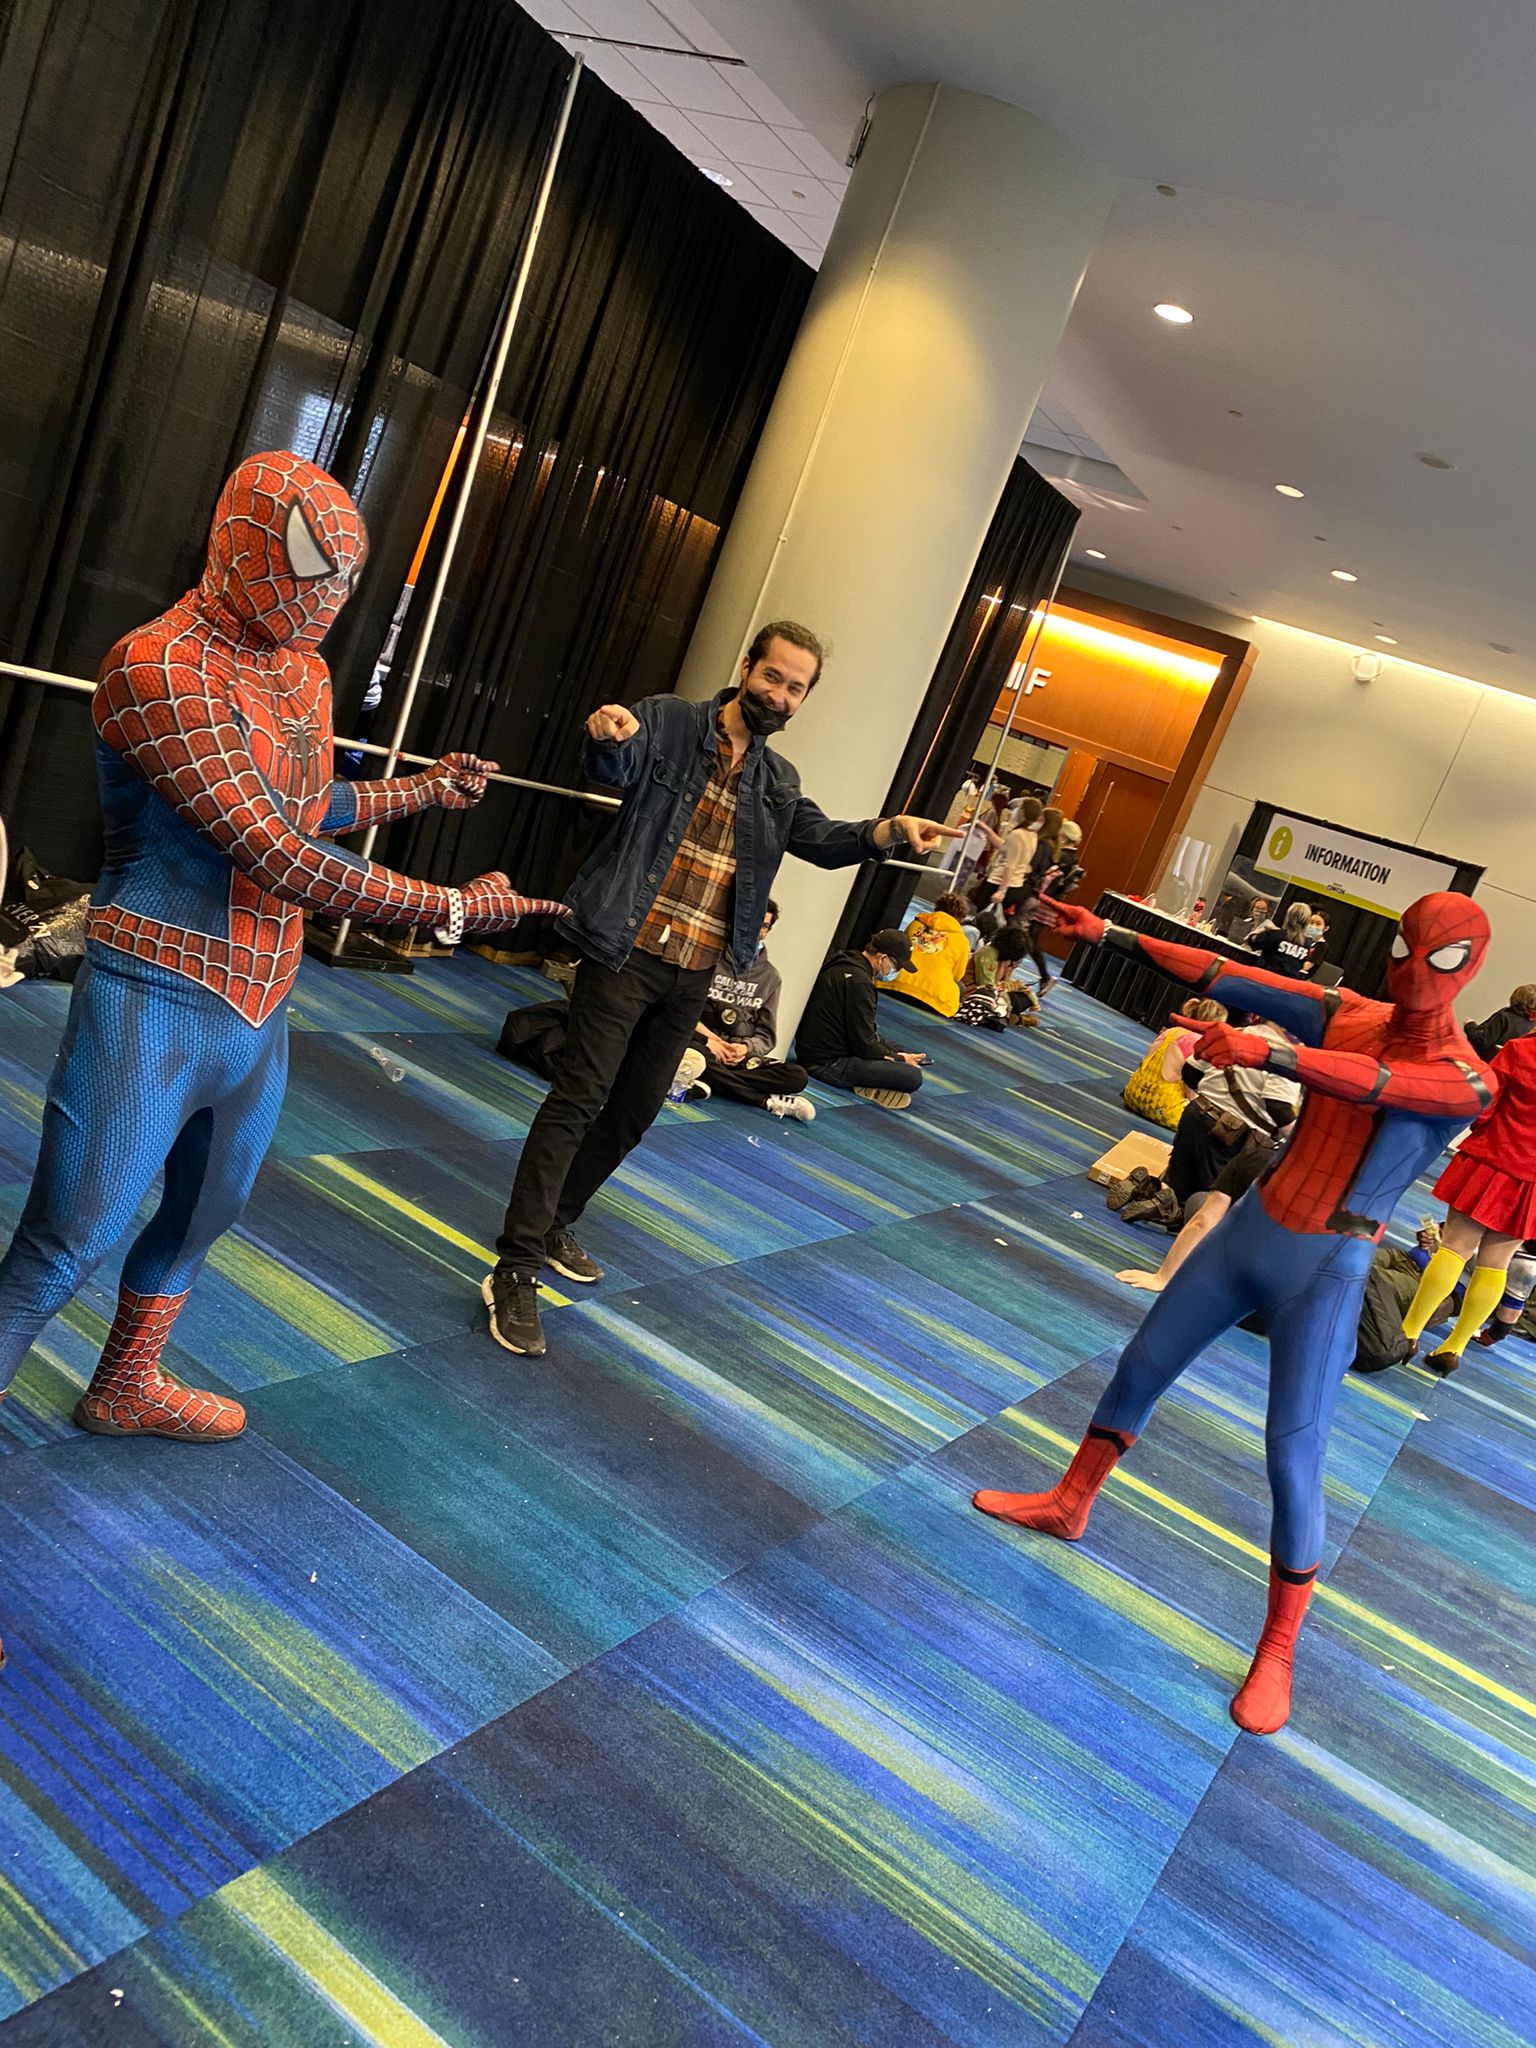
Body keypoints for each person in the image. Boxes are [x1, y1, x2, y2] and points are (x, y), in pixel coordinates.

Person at [0, 456, 548, 1477]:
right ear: (238, 538)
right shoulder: (158, 665)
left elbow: (297, 806)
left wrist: (420, 791)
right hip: (153, 993)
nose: (329, 597)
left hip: (261, 1002)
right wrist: (453, 908)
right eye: (311, 566)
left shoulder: (300, 672)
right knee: (67, 1236)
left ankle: (125, 1383)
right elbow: (272, 851)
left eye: (346, 576)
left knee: (206, 1212)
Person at [973, 891, 1493, 1735]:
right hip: (1250, 1231)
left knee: (1293, 1455)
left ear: (1470, 967)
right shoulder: (1349, 1012)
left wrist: (1273, 1052)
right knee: (1140, 1366)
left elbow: (1380, 1083)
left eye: (1438, 959)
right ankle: (1071, 1500)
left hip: (1327, 1268)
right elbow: (1230, 972)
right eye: (1405, 950)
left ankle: (1278, 1650)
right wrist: (1107, 933)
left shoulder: (1469, 1077)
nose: (1413, 973)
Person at [483, 621, 956, 1356]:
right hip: (624, 949)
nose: (780, 695)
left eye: (796, 688)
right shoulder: (671, 721)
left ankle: (554, 1222)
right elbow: (616, 763)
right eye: (772, 677)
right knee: (579, 1099)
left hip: (696, 970)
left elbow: (824, 840)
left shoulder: (777, 780)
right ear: (746, 667)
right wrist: (607, 737)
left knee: (636, 1111)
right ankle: (514, 1267)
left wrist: (890, 831)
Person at [1399, 1029, 1536, 1373]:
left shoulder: (1520, 1050)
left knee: (1454, 1249)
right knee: (1497, 1264)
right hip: (1532, 1182)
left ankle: (1408, 1333)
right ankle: (1453, 1348)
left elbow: (1484, 1106)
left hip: (1490, 1160)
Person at [1112, 1019, 1300, 1229]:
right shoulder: (1285, 1055)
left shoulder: (1232, 1033)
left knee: (1178, 1181)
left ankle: (1148, 1187)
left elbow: (1191, 1071)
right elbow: (1278, 1107)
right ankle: (1166, 1206)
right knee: (1212, 1201)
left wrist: (1213, 1095)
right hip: (1233, 1133)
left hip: (1197, 1112)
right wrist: (1298, 1140)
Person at [685, 898, 815, 1120]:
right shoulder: (708, 959)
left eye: (763, 926)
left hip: (737, 1057)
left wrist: (744, 1048)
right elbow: (682, 1011)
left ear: (768, 931)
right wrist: (711, 1042)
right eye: (753, 923)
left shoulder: (770, 977)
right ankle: (765, 1101)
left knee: (796, 1076)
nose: (757, 931)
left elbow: (766, 1036)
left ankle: (706, 1080)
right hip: (703, 1044)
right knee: (693, 1054)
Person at [797, 928, 930, 1106]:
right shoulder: (860, 983)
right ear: (883, 958)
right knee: (912, 1076)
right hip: (827, 1063)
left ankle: (877, 1075)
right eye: (896, 966)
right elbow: (864, 1044)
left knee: (896, 1048)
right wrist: (899, 1059)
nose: (895, 971)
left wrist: (894, 1054)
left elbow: (862, 1033)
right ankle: (866, 1082)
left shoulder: (845, 961)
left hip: (815, 1050)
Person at [1120, 997, 1227, 1130]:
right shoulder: (1198, 1043)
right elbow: (1190, 1088)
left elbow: (1144, 1062)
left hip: (1133, 1095)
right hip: (1164, 1107)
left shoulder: (1170, 1031)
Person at [887, 891, 971, 1018]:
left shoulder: (916, 924)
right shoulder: (962, 941)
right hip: (935, 1000)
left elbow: (901, 951)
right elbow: (957, 975)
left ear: (937, 907)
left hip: (896, 983)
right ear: (960, 917)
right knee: (960, 987)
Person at [962, 924, 1039, 1028]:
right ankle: (1015, 1019)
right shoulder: (988, 953)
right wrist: (1011, 986)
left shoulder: (1006, 958)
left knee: (1024, 999)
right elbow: (986, 984)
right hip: (974, 989)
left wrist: (1016, 986)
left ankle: (1006, 1016)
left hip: (994, 990)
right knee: (1005, 999)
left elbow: (1005, 982)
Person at [994, 797, 1044, 917]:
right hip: (1017, 883)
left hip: (1000, 881)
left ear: (1022, 812)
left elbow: (1010, 864)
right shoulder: (1033, 835)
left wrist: (1001, 891)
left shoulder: (1017, 834)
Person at [1250, 900, 1323, 978]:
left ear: (1288, 916)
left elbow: (1252, 943)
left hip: (1264, 977)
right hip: (1287, 982)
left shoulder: (1274, 934)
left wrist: (1260, 931)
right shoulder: (1307, 943)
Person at [1466, 983, 1536, 1060]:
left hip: (1486, 1061)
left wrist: (1469, 1025)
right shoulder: (1532, 1025)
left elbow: (1482, 1042)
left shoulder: (1504, 1017)